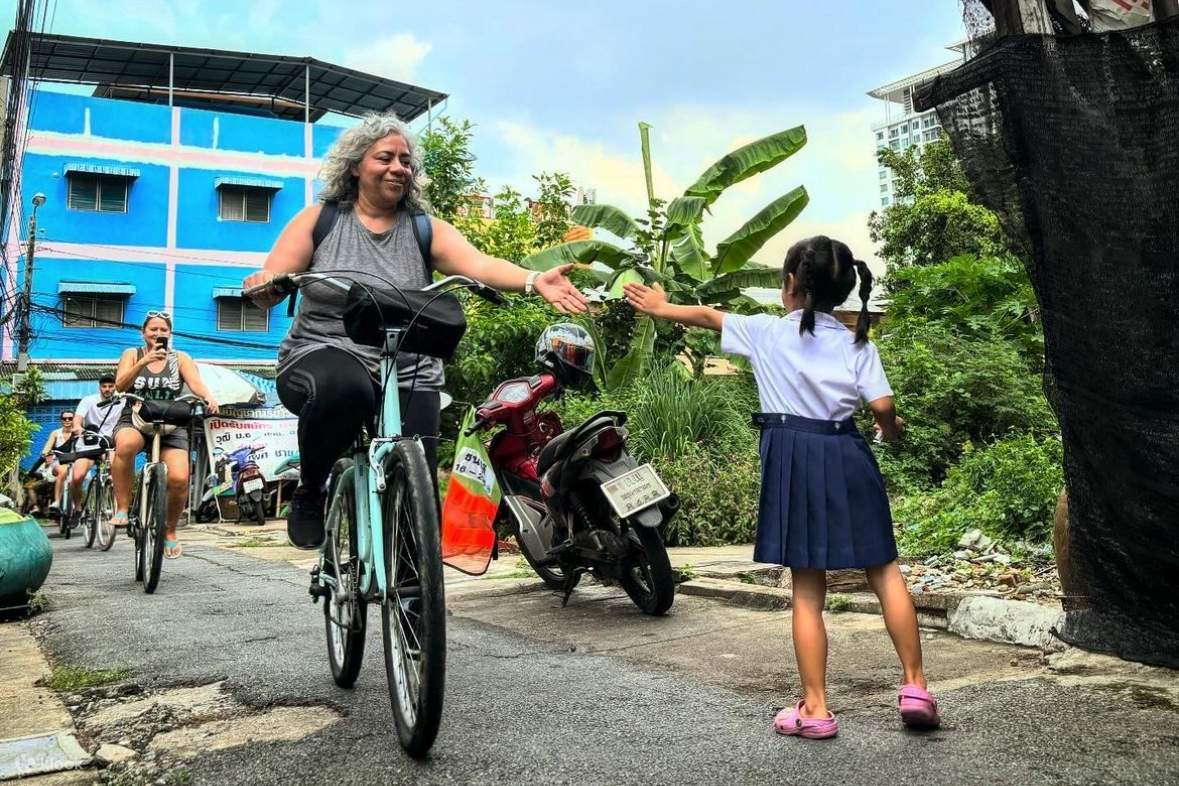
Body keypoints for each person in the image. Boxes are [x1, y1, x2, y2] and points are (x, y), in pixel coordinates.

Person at [624, 235, 939, 739]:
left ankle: (815, 709)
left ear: (789, 284)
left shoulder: (766, 333)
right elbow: (882, 408)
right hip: (847, 452)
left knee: (808, 588)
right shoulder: (857, 342)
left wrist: (662, 308)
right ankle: (916, 687)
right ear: (840, 291)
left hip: (793, 456)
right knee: (883, 569)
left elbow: (707, 316)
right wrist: (892, 428)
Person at [243, 112, 587, 550]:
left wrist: (532, 279)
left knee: (415, 492)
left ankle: (411, 597)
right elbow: (275, 278)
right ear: (355, 167)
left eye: (405, 161)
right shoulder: (321, 221)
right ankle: (312, 489)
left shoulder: (424, 230)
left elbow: (478, 264)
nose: (398, 167)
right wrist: (263, 286)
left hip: (408, 369)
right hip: (324, 352)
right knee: (345, 389)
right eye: (385, 157)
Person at [110, 312, 219, 559]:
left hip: (171, 420)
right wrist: (143, 362)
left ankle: (169, 531)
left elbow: (195, 383)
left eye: (163, 330)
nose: (158, 334)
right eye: (153, 329)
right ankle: (123, 507)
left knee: (180, 478)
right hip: (136, 417)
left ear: (170, 333)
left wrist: (208, 397)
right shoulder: (132, 354)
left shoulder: (180, 358)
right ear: (143, 332)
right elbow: (120, 386)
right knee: (125, 445)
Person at [67, 374, 125, 520]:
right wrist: (78, 428)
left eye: (111, 386)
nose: (107, 389)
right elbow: (77, 420)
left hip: (109, 443)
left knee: (116, 473)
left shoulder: (122, 401)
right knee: (77, 477)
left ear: (115, 387)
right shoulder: (88, 401)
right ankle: (78, 507)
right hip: (89, 443)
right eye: (104, 386)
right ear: (99, 387)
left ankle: (117, 509)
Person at [38, 410, 75, 513]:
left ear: (74, 420)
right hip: (59, 462)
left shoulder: (78, 433)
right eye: (64, 418)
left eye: (70, 418)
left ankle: (79, 506)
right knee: (63, 471)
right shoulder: (55, 433)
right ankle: (57, 501)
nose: (67, 420)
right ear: (61, 420)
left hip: (75, 463)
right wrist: (45, 454)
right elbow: (47, 447)